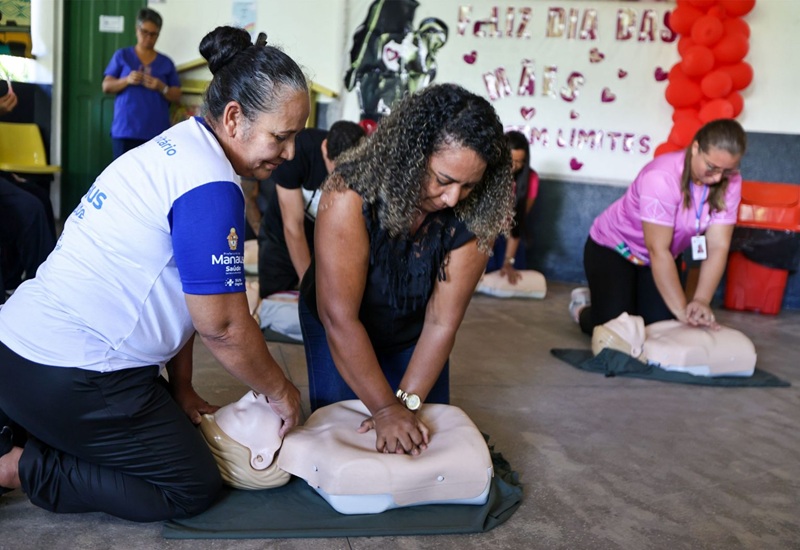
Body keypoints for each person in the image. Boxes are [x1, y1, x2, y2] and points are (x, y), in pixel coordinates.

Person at [0, 26, 308, 522]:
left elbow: (186, 294)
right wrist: (280, 390)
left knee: (170, 429)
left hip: (15, 350)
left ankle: (30, 428)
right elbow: (224, 328)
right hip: (74, 372)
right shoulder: (209, 186)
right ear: (234, 118)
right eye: (282, 136)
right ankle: (19, 466)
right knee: (190, 484)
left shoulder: (177, 147)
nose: (290, 152)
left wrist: (182, 387)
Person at [299, 83, 514, 456]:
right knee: (344, 440)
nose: (452, 199)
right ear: (410, 156)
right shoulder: (348, 196)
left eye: (469, 186)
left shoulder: (475, 213)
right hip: (340, 322)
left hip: (414, 329)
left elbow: (441, 322)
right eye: (443, 180)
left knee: (420, 439)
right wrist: (384, 408)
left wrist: (406, 404)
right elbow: (340, 318)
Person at [571, 118, 747, 336]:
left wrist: (701, 300)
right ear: (695, 148)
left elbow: (718, 245)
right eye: (712, 167)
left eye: (727, 170)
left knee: (659, 329)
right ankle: (582, 308)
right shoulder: (662, 177)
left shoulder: (731, 181)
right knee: (619, 330)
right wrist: (682, 310)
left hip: (662, 258)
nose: (719, 177)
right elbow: (658, 249)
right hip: (614, 249)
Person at [257, 120, 365, 298]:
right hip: (280, 238)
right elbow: (293, 227)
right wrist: (310, 288)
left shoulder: (363, 166)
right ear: (325, 148)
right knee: (274, 296)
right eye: (337, 168)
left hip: (321, 239)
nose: (342, 177)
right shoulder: (298, 151)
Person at [101, 7, 181, 159]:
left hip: (156, 133)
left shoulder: (166, 62)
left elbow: (177, 95)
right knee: (123, 176)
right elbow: (106, 86)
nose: (148, 37)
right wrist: (127, 80)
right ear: (137, 29)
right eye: (144, 32)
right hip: (126, 130)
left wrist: (161, 87)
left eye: (153, 34)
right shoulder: (122, 56)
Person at [486, 130, 539, 284]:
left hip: (509, 235)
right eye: (510, 160)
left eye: (519, 162)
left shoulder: (531, 179)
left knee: (510, 274)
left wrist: (508, 262)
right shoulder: (486, 174)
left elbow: (517, 222)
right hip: (482, 232)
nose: (514, 166)